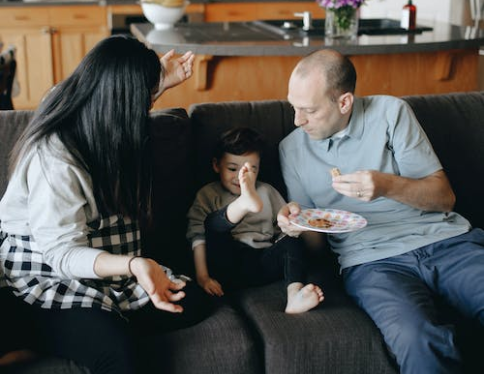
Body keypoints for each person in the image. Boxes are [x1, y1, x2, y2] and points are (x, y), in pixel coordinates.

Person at [0, 35, 211, 374]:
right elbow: (61, 253)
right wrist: (133, 266)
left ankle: (72, 326)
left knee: (193, 302)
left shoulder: (83, 103)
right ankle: (32, 326)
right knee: (118, 355)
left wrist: (159, 84)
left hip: (100, 257)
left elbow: (116, 94)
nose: (147, 109)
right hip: (48, 267)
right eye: (144, 100)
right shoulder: (57, 157)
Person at [277, 49, 483, 374]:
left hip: (447, 241)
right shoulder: (291, 148)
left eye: (309, 110)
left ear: (344, 102)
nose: (297, 120)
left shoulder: (390, 112)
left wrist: (386, 185)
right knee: (418, 338)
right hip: (373, 262)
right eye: (293, 107)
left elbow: (445, 198)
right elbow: (317, 247)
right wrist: (298, 225)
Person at [186, 127, 324, 313]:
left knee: (291, 241)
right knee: (212, 224)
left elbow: (282, 232)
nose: (240, 177)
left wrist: (294, 224)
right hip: (227, 264)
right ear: (216, 165)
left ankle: (295, 296)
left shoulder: (267, 191)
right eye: (233, 169)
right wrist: (203, 277)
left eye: (250, 170)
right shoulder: (208, 194)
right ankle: (244, 202)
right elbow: (198, 236)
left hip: (262, 262)